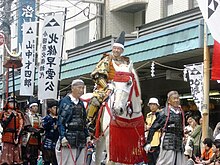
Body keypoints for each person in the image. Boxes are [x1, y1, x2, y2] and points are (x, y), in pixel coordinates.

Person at [86, 31, 130, 133]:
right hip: (106, 86)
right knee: (96, 100)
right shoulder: (107, 59)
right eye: (115, 48)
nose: (116, 50)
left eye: (118, 49)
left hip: (121, 86)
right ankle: (89, 122)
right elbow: (98, 74)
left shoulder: (126, 62)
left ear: (122, 50)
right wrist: (107, 86)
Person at [144, 90, 186, 165]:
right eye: (174, 98)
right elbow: (153, 128)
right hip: (168, 141)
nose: (176, 100)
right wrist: (148, 142)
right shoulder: (164, 113)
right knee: (166, 162)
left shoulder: (181, 112)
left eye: (177, 98)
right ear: (169, 101)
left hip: (179, 142)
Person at [56, 79, 89, 165]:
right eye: (79, 88)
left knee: (80, 162)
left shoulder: (81, 103)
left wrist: (87, 135)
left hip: (81, 138)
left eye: (82, 88)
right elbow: (60, 121)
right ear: (72, 88)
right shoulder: (65, 101)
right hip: (68, 137)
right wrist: (62, 136)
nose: (81, 90)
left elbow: (84, 121)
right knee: (68, 162)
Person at [0, 96, 24, 165]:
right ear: (7, 103)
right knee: (6, 158)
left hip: (17, 136)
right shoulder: (4, 113)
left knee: (16, 157)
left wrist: (18, 136)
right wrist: (11, 116)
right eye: (11, 103)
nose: (13, 104)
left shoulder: (19, 114)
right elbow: (3, 125)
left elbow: (21, 125)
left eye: (15, 103)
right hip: (7, 135)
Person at [22, 98, 43, 165]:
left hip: (36, 140)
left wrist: (40, 130)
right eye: (34, 106)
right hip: (28, 139)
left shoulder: (39, 117)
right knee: (26, 157)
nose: (35, 108)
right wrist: (35, 130)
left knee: (34, 158)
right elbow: (27, 127)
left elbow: (41, 127)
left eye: (36, 106)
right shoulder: (26, 116)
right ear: (30, 108)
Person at [42, 100, 59, 165]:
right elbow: (44, 126)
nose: (56, 109)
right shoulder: (46, 118)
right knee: (47, 160)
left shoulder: (60, 118)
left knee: (56, 161)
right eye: (54, 108)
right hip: (48, 141)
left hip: (57, 141)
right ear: (49, 109)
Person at [145, 97, 161, 165]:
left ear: (157, 105)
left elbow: (161, 127)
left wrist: (151, 127)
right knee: (150, 162)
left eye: (153, 104)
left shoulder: (161, 114)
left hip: (158, 141)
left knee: (157, 161)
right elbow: (146, 126)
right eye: (150, 104)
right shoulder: (148, 115)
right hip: (149, 142)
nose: (152, 106)